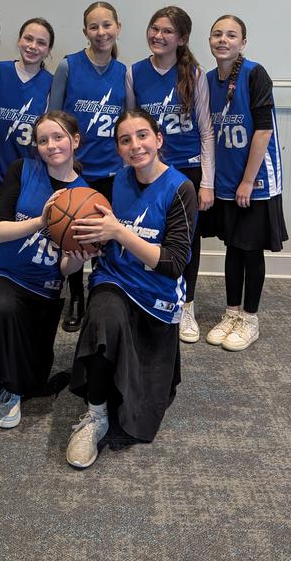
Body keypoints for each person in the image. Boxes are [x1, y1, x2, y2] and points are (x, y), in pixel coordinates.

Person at [65, 108, 197, 468]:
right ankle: (95, 416)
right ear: (118, 149)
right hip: (116, 280)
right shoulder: (112, 184)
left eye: (142, 136)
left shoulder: (180, 189)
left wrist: (120, 232)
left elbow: (173, 264)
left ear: (158, 139)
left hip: (157, 295)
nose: (135, 145)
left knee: (143, 408)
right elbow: (97, 239)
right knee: (103, 316)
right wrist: (84, 246)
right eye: (125, 140)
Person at [0, 111, 90, 429]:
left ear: (75, 141)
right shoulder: (22, 169)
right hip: (4, 273)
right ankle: (6, 390)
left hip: (45, 286)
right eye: (43, 140)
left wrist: (80, 258)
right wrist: (42, 221)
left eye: (58, 137)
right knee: (2, 309)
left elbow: (65, 267)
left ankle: (19, 374)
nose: (51, 145)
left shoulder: (85, 195)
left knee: (36, 377)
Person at [125, 6, 214, 344]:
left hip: (187, 170)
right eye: (154, 28)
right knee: (148, 235)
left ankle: (186, 305)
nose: (158, 36)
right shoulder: (134, 72)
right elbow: (130, 125)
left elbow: (206, 131)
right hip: (149, 170)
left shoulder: (194, 73)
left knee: (187, 241)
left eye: (167, 31)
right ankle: (147, 295)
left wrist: (207, 182)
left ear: (182, 38)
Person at [202, 14, 288, 351]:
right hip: (226, 179)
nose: (223, 40)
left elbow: (263, 130)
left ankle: (250, 319)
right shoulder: (208, 80)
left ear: (243, 42)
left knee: (250, 249)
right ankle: (231, 313)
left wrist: (248, 181)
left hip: (256, 180)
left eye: (231, 35)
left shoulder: (254, 73)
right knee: (233, 247)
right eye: (217, 34)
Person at [49, 1, 126, 332]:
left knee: (105, 237)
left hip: (112, 172)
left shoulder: (124, 73)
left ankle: (102, 293)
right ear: (85, 31)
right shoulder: (68, 66)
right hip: (76, 171)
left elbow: (129, 123)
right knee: (72, 236)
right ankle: (76, 297)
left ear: (118, 28)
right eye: (94, 26)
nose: (101, 32)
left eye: (107, 25)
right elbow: (53, 118)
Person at [0, 18, 54, 234]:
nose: (33, 46)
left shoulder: (51, 83)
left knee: (18, 239)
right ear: (19, 40)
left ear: (48, 50)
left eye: (41, 42)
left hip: (27, 177)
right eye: (28, 39)